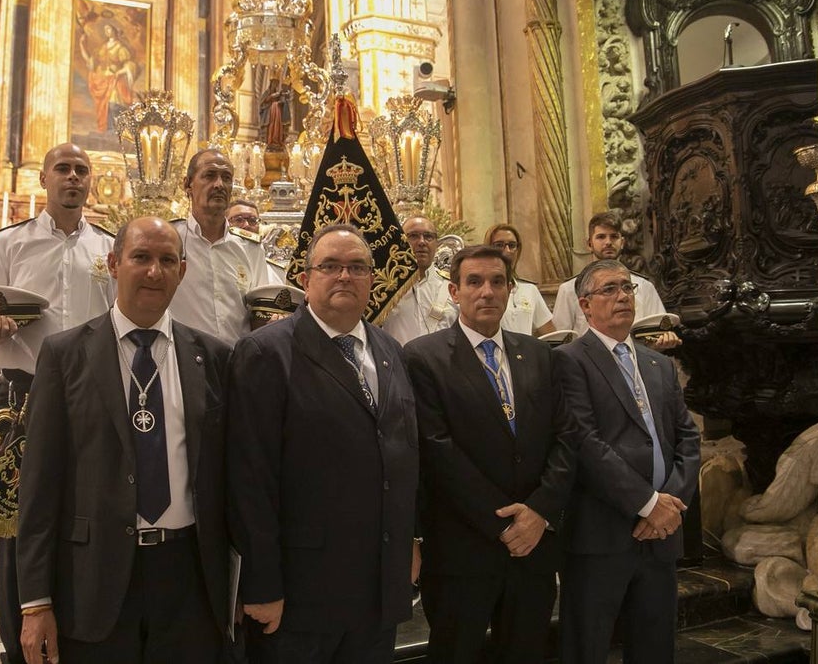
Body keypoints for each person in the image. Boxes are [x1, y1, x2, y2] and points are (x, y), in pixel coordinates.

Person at [16, 217, 231, 663]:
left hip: (188, 577)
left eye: (167, 260)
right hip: (95, 577)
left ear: (183, 271)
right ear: (113, 264)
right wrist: (35, 601)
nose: (155, 271)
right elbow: (38, 486)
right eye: (141, 257)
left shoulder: (211, 357)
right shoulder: (65, 354)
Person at [227, 224, 419, 664]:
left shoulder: (390, 350)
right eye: (330, 266)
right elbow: (249, 479)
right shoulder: (266, 353)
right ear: (305, 278)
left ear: (374, 279)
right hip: (301, 594)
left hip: (377, 588)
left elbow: (404, 454)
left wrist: (410, 540)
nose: (344, 277)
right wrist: (261, 584)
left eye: (356, 267)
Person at [0, 142, 115, 664]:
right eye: (63, 169)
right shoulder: (10, 245)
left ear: (90, 181)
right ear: (44, 179)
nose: (73, 177)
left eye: (82, 169)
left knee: (91, 514)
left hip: (94, 396)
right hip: (24, 397)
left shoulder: (110, 249)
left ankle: (82, 638)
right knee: (19, 524)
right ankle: (18, 646)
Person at [404, 244, 575, 662]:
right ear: (454, 291)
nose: (487, 291)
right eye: (475, 282)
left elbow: (567, 438)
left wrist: (539, 512)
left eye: (498, 282)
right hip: (462, 548)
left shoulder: (539, 354)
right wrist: (501, 523)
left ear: (510, 290)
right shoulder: (423, 358)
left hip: (533, 546)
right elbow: (437, 449)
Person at [555, 259, 700, 664]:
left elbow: (687, 438)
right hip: (602, 532)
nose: (622, 296)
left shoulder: (659, 364)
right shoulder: (570, 361)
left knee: (655, 646)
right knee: (588, 645)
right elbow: (585, 442)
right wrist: (648, 504)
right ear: (585, 306)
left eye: (627, 287)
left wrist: (670, 504)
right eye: (609, 289)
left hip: (661, 534)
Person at [170, 150, 273, 344]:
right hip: (184, 361)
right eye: (209, 175)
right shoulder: (170, 240)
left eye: (226, 178)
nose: (219, 185)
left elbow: (260, 314)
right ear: (187, 184)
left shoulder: (250, 248)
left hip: (236, 362)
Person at [552, 211, 678, 348]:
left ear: (622, 242)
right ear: (589, 244)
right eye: (601, 237)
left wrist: (664, 340)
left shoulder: (643, 286)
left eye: (614, 237)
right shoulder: (569, 289)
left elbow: (659, 329)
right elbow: (562, 338)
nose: (608, 242)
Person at [380, 215, 456, 345]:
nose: (422, 242)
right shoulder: (384, 290)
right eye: (413, 236)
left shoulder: (452, 288)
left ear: (436, 244)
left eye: (428, 236)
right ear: (401, 241)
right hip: (399, 363)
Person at [483, 223, 555, 336]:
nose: (507, 250)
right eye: (499, 245)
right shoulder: (483, 291)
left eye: (512, 245)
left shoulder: (529, 290)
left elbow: (551, 334)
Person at [81, 22, 140, 132]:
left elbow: (130, 65)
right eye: (105, 29)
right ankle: (108, 130)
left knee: (113, 104)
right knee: (105, 106)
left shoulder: (120, 47)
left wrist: (120, 72)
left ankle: (117, 131)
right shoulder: (102, 48)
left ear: (115, 30)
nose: (107, 31)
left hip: (115, 80)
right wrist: (82, 45)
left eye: (109, 29)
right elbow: (91, 62)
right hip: (103, 79)